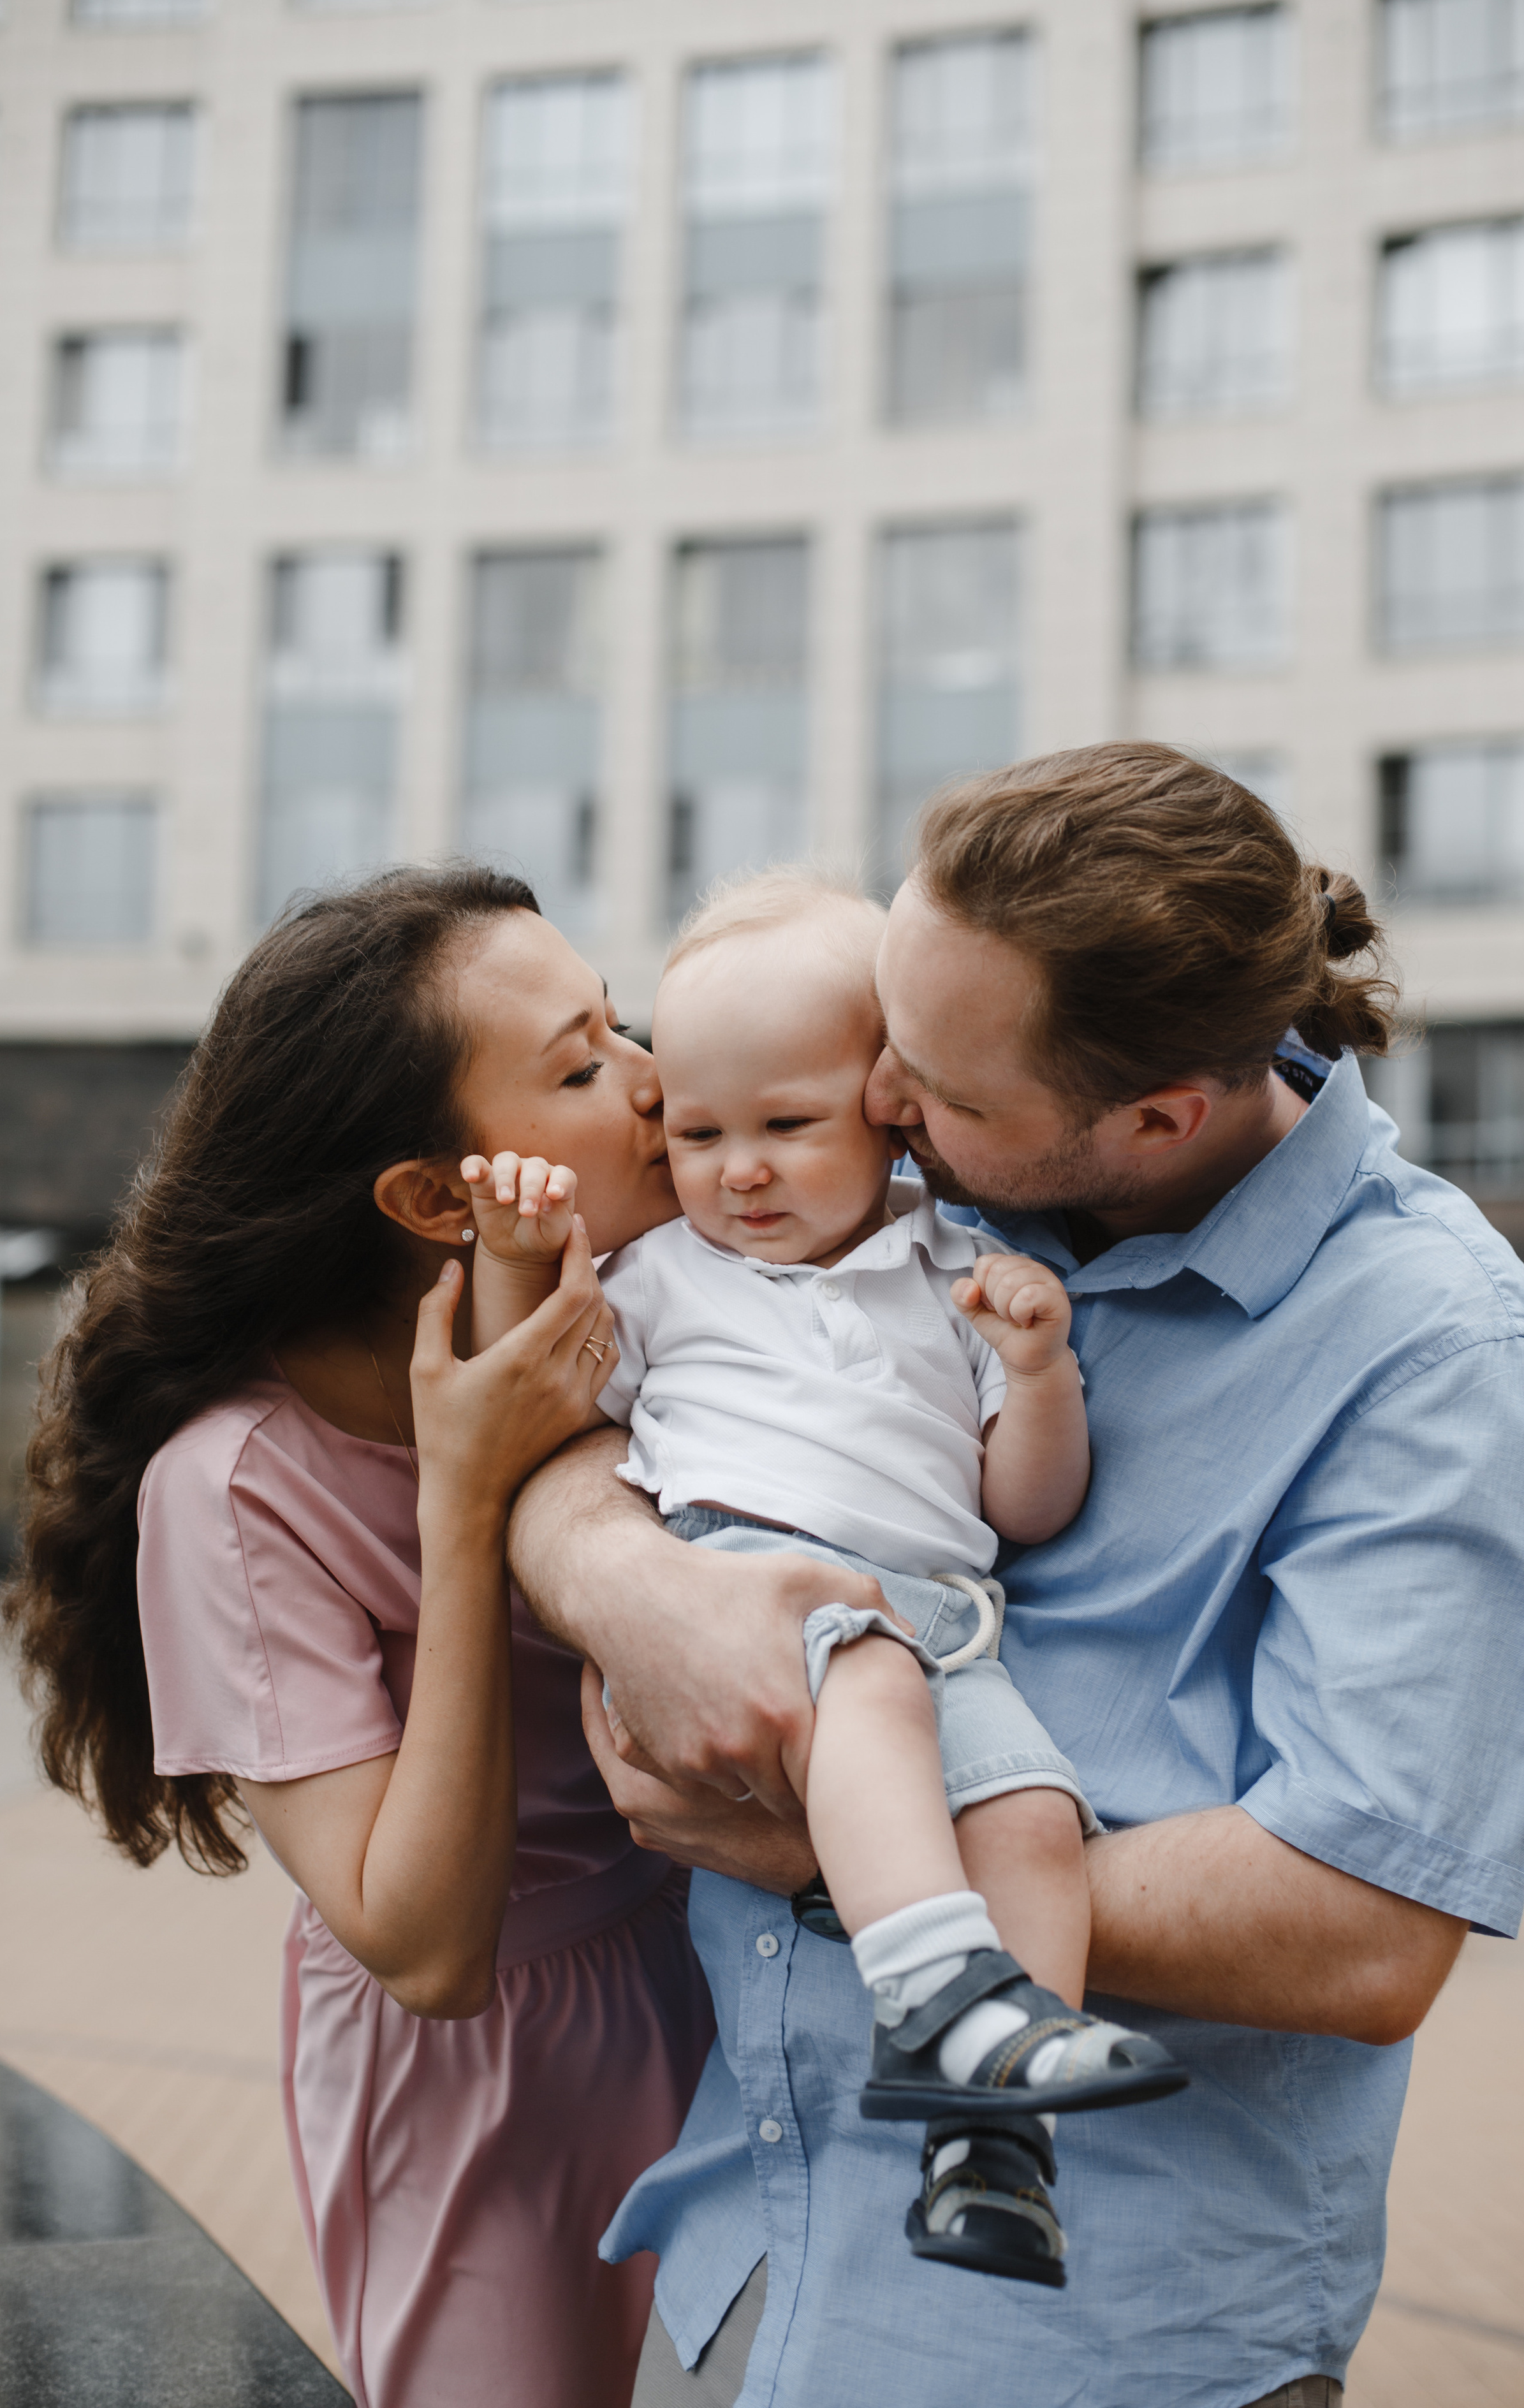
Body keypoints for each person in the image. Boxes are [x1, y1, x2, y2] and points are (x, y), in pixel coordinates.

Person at [504, 746, 1524, 2408]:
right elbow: (594, 1394)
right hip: (751, 2254)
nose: (873, 1107)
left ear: (1155, 1117)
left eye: (926, 1089)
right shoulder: (905, 1157)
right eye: (887, 1043)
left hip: (1088, 2347)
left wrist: (828, 1841)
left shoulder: (1436, 1353)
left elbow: (1364, 1932)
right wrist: (621, 1579)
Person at [6, 867, 715, 2408]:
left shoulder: (673, 1295)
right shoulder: (236, 1488)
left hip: (731, 1971)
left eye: (626, 1024)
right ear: (432, 1197)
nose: (661, 1084)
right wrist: (461, 1503)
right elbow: (425, 1948)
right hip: (485, 2071)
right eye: (585, 1067)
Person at [462, 869, 1185, 2289]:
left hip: (939, 1631)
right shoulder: (664, 1275)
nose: (737, 1170)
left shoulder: (960, 1274)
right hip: (752, 1592)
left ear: (887, 1107)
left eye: (786, 1127)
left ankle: (988, 2146)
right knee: (858, 1676)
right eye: (697, 1132)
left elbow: (1021, 1507)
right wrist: (512, 1252)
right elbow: (536, 1391)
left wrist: (1034, 1373)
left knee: (1035, 1817)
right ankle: (933, 1993)